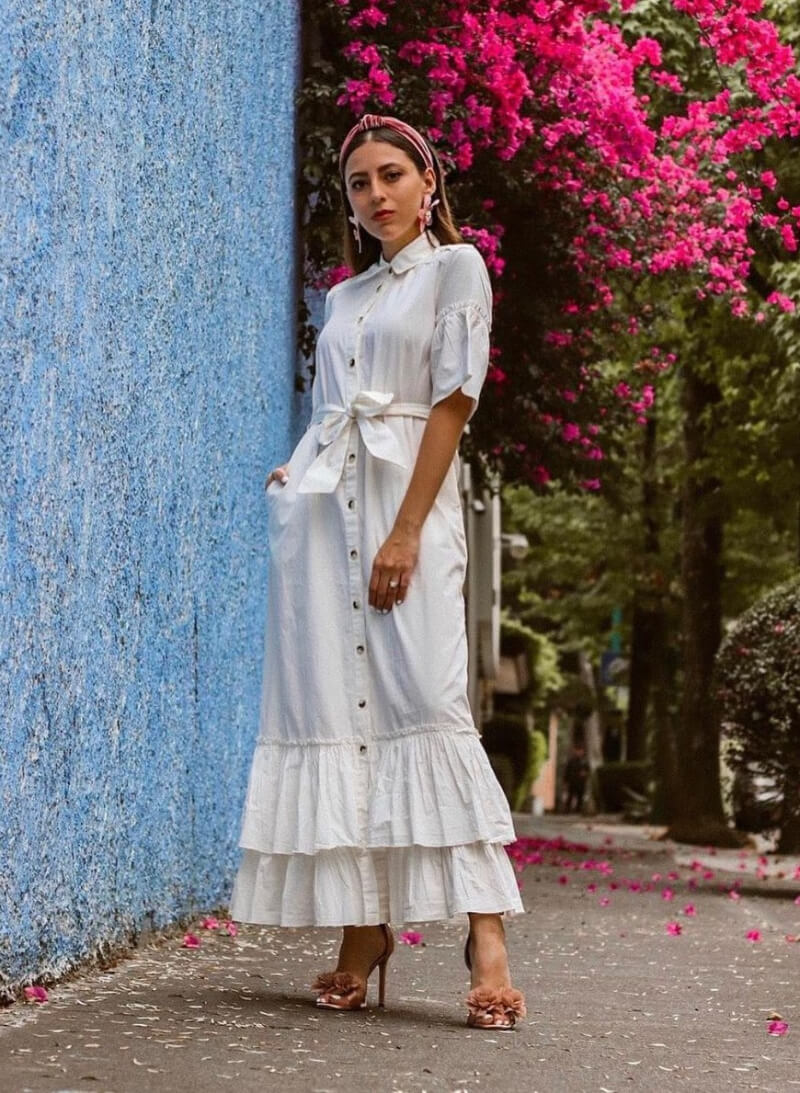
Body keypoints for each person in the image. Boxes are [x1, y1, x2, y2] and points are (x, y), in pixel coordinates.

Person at [229, 113, 526, 1031]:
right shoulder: (345, 295)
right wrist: (295, 466)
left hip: (408, 510)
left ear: (428, 180)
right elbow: (332, 408)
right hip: (325, 522)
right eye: (360, 184)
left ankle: (487, 940)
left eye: (392, 175)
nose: (377, 196)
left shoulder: (456, 269)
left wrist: (406, 531)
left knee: (426, 703)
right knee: (334, 706)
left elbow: (452, 402)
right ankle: (364, 930)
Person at [563, 744, 590, 814]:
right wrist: (565, 781)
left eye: (580, 751)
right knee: (570, 796)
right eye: (577, 751)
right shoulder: (571, 761)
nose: (579, 752)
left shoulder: (585, 761)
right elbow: (567, 771)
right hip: (572, 781)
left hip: (581, 782)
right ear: (575, 751)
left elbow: (588, 770)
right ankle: (567, 810)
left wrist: (585, 774)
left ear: (583, 752)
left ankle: (578, 810)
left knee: (580, 796)